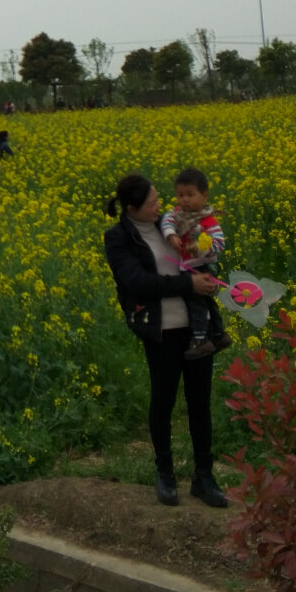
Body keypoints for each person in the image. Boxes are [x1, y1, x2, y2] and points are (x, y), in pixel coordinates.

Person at [104, 172, 229, 509]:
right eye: (152, 202)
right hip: (161, 331)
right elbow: (138, 282)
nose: (161, 205)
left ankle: (205, 476)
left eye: (159, 198)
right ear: (132, 208)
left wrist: (207, 275)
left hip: (196, 327)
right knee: (164, 401)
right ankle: (165, 473)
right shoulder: (118, 239)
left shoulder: (172, 222)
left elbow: (204, 252)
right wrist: (189, 286)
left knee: (200, 403)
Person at [160, 167, 231, 361]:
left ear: (204, 196)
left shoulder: (208, 221)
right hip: (188, 266)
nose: (184, 200)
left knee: (195, 300)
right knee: (208, 300)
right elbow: (167, 220)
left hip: (204, 266)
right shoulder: (178, 214)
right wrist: (172, 234)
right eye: (180, 195)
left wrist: (198, 248)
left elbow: (218, 244)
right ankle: (219, 335)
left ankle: (200, 340)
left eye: (190, 195)